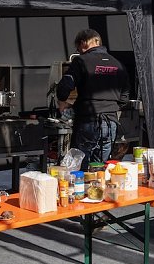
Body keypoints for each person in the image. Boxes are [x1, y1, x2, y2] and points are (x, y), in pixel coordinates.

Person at [56, 29, 130, 165]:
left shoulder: (81, 61)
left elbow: (65, 85)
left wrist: (62, 102)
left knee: (78, 166)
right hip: (111, 123)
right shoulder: (118, 64)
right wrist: (109, 107)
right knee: (99, 168)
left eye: (78, 48)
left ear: (83, 43)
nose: (79, 51)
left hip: (88, 121)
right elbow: (124, 97)